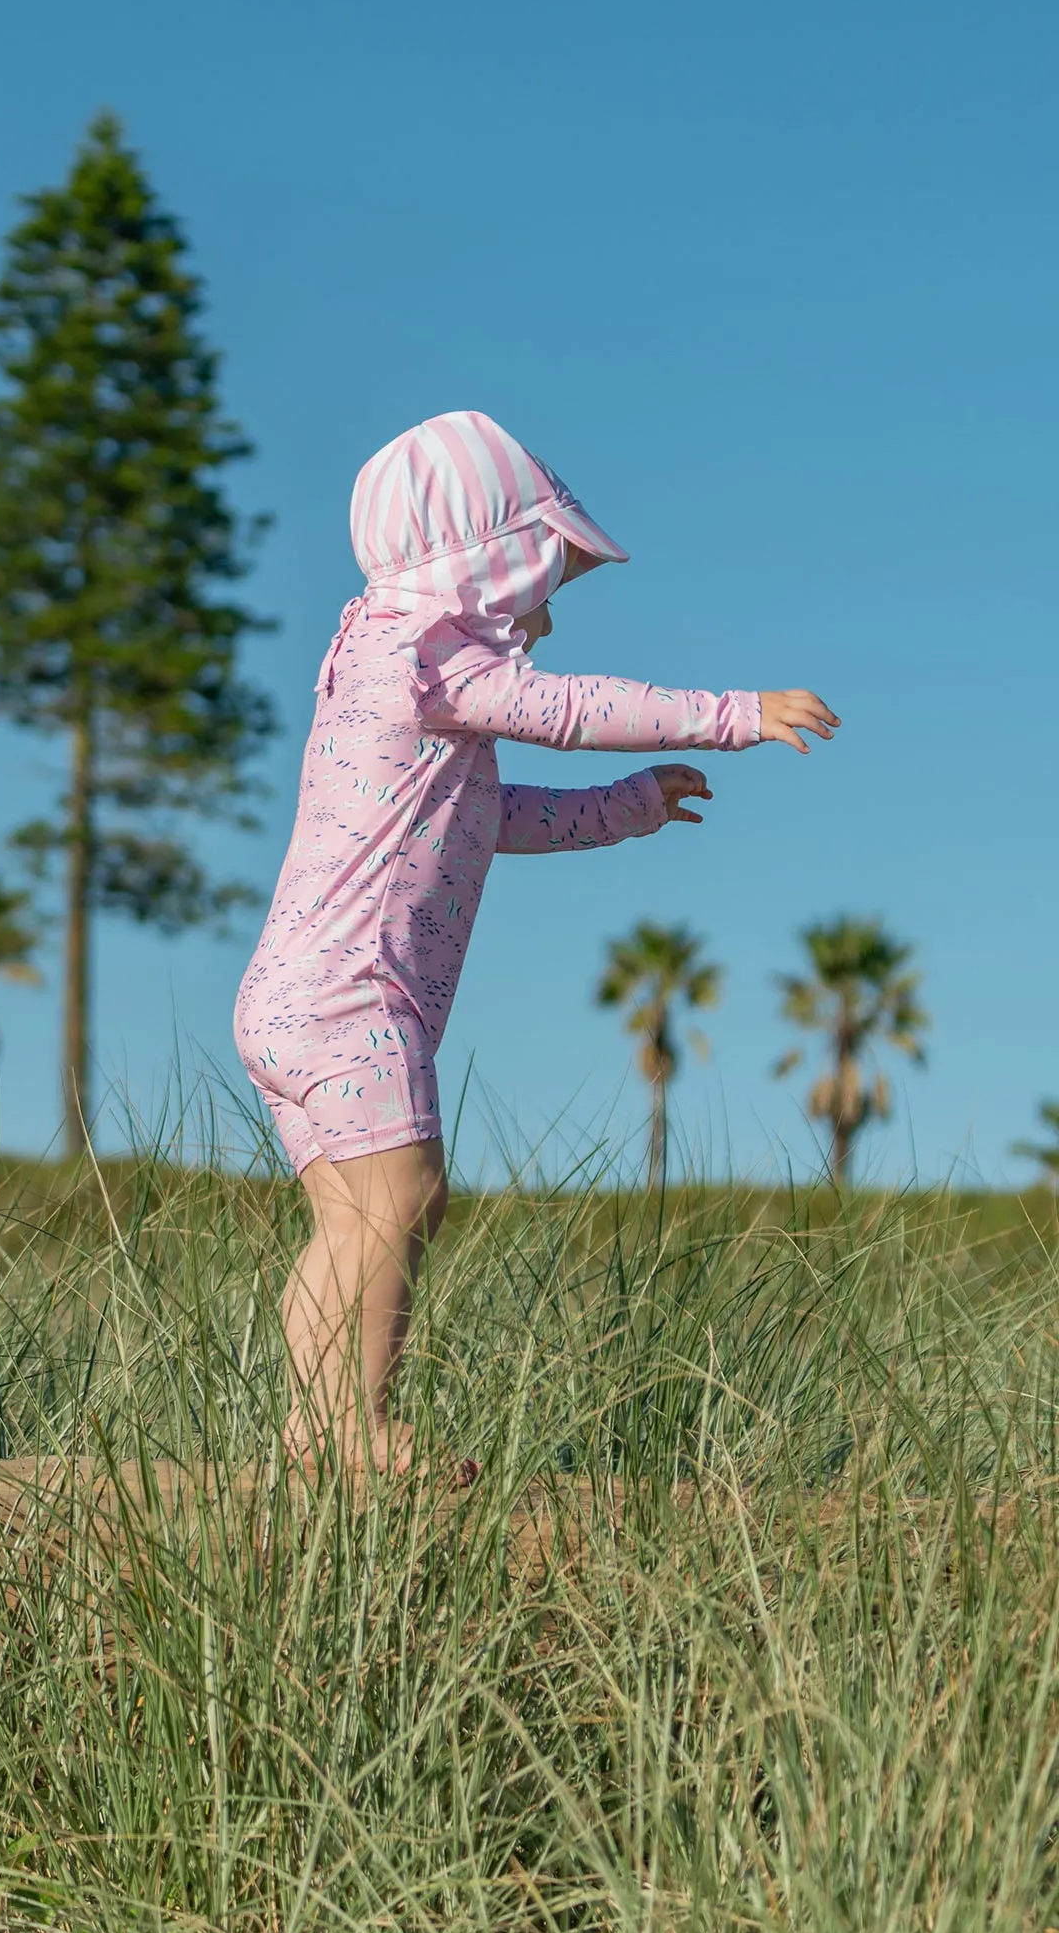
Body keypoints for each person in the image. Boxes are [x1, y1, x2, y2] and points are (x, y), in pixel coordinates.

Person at [232, 410, 836, 1474]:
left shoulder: (380, 662)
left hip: (285, 997)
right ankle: (356, 1425)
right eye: (536, 582)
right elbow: (561, 707)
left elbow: (488, 817)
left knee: (348, 1220)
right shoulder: (424, 656)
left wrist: (625, 808)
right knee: (402, 1196)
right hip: (350, 997)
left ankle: (313, 1429)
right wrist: (729, 713)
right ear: (479, 565)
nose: (543, 615)